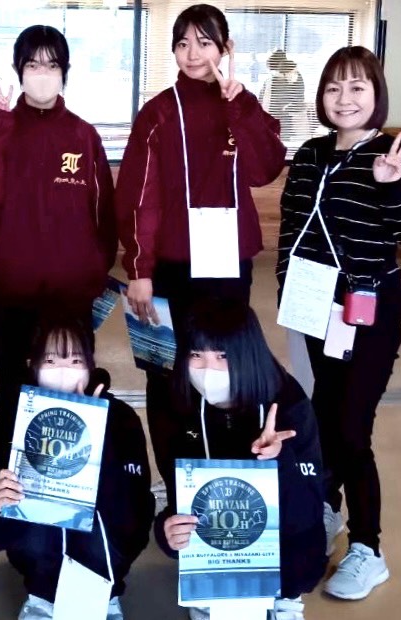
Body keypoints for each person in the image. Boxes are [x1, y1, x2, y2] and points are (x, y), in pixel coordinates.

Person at [277, 46, 401, 600]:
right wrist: (289, 291)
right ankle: (326, 508)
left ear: (376, 95)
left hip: (370, 311)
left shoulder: (396, 155)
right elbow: (293, 225)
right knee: (322, 413)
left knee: (351, 428)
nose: (344, 98)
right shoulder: (311, 153)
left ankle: (369, 548)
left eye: (357, 87)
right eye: (334, 87)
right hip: (315, 306)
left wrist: (390, 185)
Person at [113, 3, 285, 481]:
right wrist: (140, 270)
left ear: (225, 48)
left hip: (228, 263)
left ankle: (230, 476)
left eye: (204, 43)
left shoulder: (243, 105)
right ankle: (176, 482)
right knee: (167, 371)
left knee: (229, 367)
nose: (192, 54)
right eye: (183, 43)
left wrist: (240, 107)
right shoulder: (158, 113)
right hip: (170, 267)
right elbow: (140, 197)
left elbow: (264, 169)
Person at [0, 25, 116, 432]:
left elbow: (104, 214)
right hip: (11, 291)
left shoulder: (83, 135)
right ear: (19, 70)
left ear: (64, 71)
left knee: (72, 387)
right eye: (33, 65)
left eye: (52, 65)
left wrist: (92, 271)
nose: (42, 74)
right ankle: (8, 466)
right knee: (14, 384)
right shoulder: (1, 130)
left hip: (72, 294)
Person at [156, 300, 326, 620]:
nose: (208, 370)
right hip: (215, 542)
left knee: (303, 554)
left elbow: (308, 507)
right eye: (196, 355)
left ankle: (285, 598)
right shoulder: (178, 402)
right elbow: (177, 492)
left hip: (284, 532)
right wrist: (167, 533)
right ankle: (211, 591)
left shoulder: (288, 402)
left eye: (222, 356)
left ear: (247, 354)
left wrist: (279, 459)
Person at [0, 318, 154, 620]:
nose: (63, 370)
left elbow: (135, 513)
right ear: (33, 365)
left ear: (91, 365)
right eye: (50, 360)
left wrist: (95, 433)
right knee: (33, 521)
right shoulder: (15, 419)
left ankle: (105, 595)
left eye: (75, 360)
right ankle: (42, 597)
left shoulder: (121, 418)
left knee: (106, 520)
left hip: (103, 561)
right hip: (37, 561)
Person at [259, 50, 305, 141]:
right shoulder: (273, 78)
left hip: (283, 117)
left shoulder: (291, 77)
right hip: (277, 116)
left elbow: (297, 97)